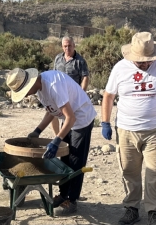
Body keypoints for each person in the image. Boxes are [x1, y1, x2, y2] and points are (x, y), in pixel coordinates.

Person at [100, 32, 156, 225]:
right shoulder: (120, 68)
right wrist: (105, 122)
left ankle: (154, 212)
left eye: (148, 61)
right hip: (127, 130)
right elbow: (108, 96)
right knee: (129, 171)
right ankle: (131, 208)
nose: (145, 64)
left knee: (154, 172)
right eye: (140, 62)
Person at [6, 67, 96, 216]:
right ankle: (63, 194)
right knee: (65, 160)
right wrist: (38, 130)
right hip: (68, 119)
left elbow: (71, 118)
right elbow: (51, 110)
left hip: (81, 118)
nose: (26, 95)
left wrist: (56, 140)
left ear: (31, 84)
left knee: (75, 160)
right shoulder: (41, 89)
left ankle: (72, 200)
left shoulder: (53, 86)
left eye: (25, 91)